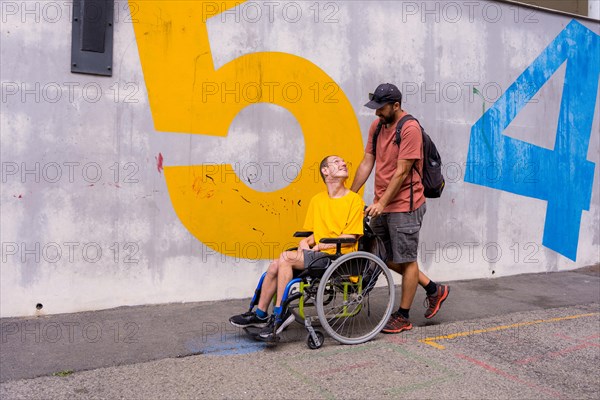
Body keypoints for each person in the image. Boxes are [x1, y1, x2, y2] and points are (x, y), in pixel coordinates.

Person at [230, 155, 365, 341]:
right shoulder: (318, 200)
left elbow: (351, 236)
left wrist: (318, 246)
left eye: (344, 161)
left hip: (339, 258)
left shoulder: (354, 200)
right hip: (319, 253)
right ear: (325, 171)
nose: (343, 163)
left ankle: (279, 316)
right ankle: (260, 314)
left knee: (286, 258)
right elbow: (318, 232)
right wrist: (306, 242)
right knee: (276, 264)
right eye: (336, 161)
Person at [350, 83, 449, 334]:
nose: (376, 114)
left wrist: (382, 203)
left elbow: (402, 171)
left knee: (406, 259)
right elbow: (367, 161)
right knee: (379, 254)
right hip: (382, 204)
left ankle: (403, 316)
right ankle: (433, 289)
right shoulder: (377, 127)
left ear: (396, 105)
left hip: (405, 204)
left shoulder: (410, 128)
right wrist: (350, 196)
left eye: (380, 108)